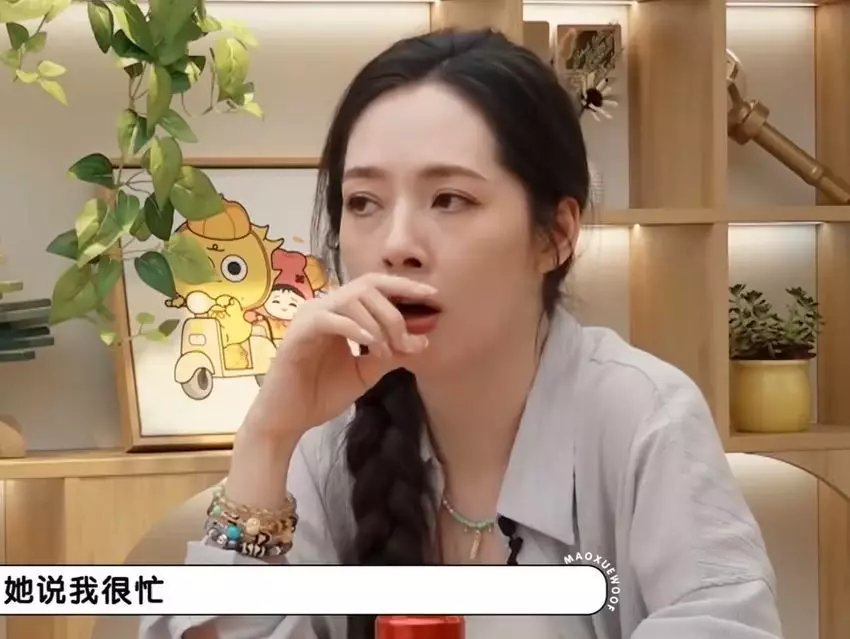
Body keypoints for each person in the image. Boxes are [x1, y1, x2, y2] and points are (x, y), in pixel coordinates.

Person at [140, 28, 784, 639]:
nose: (397, 245)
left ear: (556, 236)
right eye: (363, 203)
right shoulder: (327, 440)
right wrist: (266, 438)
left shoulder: (644, 419)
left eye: (449, 199)